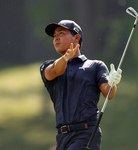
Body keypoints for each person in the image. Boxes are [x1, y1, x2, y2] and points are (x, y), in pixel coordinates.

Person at [40, 20, 122, 150]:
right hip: (62, 137)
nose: (56, 38)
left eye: (61, 33)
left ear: (77, 38)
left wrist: (113, 83)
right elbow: (56, 71)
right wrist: (66, 58)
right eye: (54, 36)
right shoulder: (47, 66)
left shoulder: (95, 66)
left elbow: (108, 94)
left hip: (86, 133)